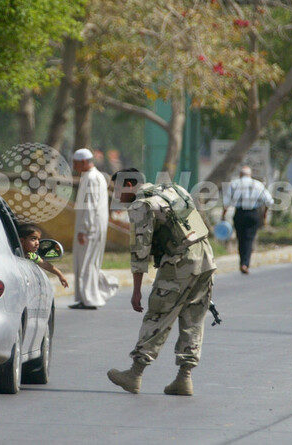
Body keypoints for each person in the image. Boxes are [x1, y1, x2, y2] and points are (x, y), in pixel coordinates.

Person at [106, 168, 216, 396]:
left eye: (115, 189)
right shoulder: (174, 189)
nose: (114, 196)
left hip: (179, 263)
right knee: (193, 318)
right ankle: (184, 379)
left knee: (158, 315)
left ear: (128, 184)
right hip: (205, 257)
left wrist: (136, 291)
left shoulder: (141, 205)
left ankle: (134, 374)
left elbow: (140, 251)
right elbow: (196, 225)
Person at [69, 147, 118, 310]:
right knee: (87, 263)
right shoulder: (94, 177)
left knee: (87, 263)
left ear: (83, 162)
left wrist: (84, 229)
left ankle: (90, 298)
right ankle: (85, 297)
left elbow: (89, 206)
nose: (74, 167)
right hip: (93, 226)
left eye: (76, 164)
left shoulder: (91, 178)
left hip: (90, 228)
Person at [222, 165, 273, 274]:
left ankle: (242, 263)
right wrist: (264, 214)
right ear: (250, 175)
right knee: (249, 239)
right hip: (253, 214)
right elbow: (269, 201)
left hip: (239, 213)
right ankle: (246, 263)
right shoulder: (257, 185)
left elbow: (226, 203)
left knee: (240, 238)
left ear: (240, 174)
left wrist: (223, 215)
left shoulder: (234, 184)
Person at [18, 224, 69, 288]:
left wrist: (60, 275)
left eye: (38, 240)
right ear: (22, 241)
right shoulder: (15, 255)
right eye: (33, 239)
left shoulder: (32, 256)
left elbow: (45, 264)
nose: (37, 243)